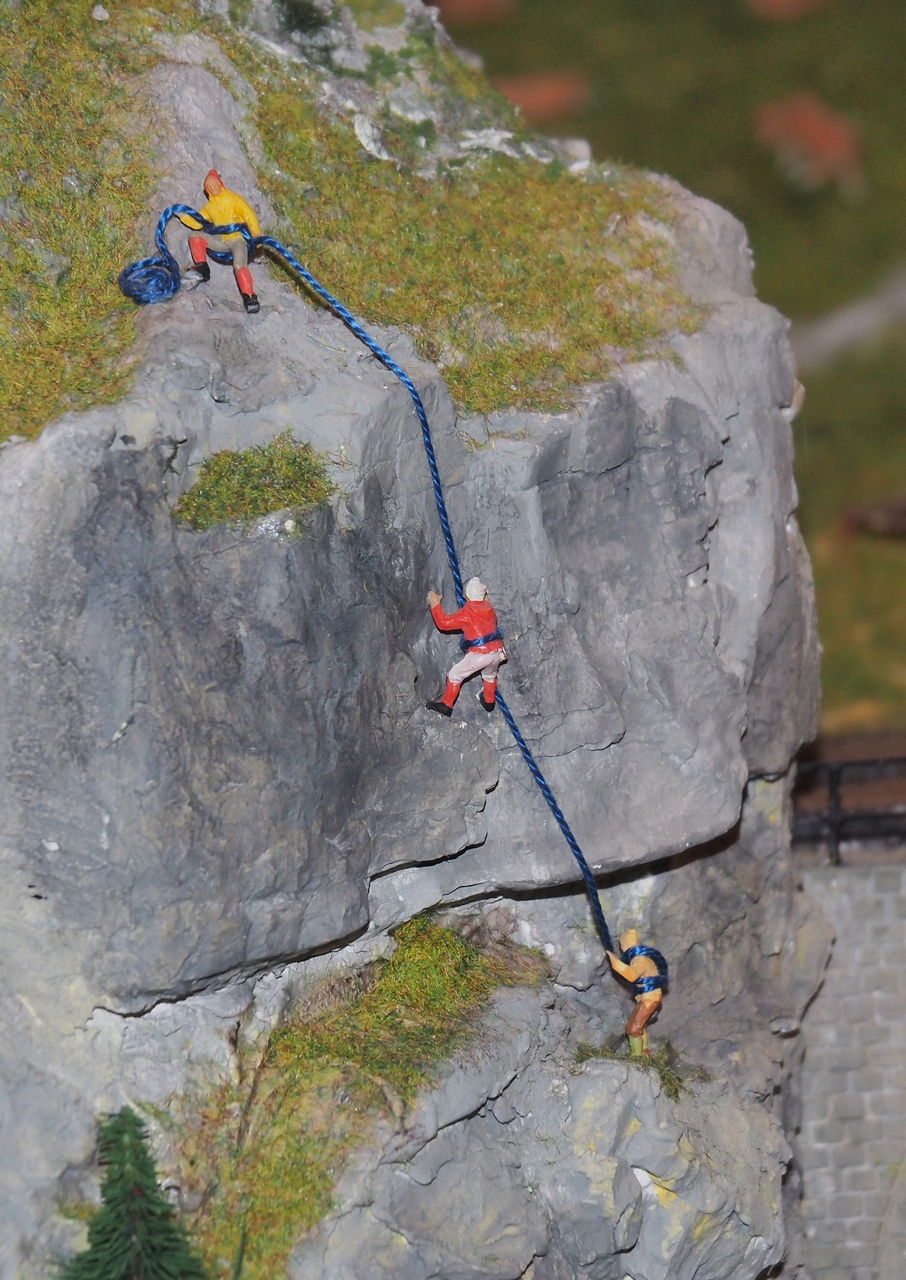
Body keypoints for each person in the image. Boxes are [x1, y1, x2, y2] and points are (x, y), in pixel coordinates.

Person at [178, 170, 261, 314]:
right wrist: (182, 215)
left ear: (220, 183)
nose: (211, 187)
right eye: (208, 186)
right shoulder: (209, 207)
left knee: (239, 265)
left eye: (213, 184)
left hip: (237, 240)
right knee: (195, 236)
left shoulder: (234, 199)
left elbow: (248, 215)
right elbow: (198, 222)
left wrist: (256, 234)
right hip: (220, 241)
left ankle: (249, 297)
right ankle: (202, 267)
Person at [426, 578, 506, 716]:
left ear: (468, 595)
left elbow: (443, 623)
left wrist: (435, 604)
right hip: (497, 652)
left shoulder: (467, 613)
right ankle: (489, 699)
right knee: (489, 674)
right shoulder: (488, 607)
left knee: (455, 675)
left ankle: (446, 705)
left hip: (480, 654)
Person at [606, 928, 665, 1057]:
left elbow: (632, 975)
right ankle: (644, 1050)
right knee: (640, 1025)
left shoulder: (640, 960)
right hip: (649, 997)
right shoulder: (644, 958)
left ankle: (637, 1056)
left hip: (649, 999)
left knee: (633, 1029)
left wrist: (615, 961)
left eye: (622, 947)